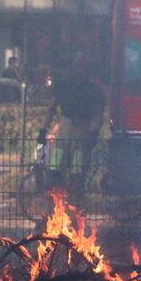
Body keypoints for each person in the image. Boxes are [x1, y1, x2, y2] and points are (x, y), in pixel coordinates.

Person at [39, 55, 105, 192]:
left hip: (80, 129)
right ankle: (57, 197)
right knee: (56, 168)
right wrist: (43, 129)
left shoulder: (91, 89)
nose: (79, 70)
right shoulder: (66, 86)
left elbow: (97, 114)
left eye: (82, 67)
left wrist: (93, 132)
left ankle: (72, 198)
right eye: (78, 66)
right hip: (68, 128)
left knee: (77, 172)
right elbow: (51, 108)